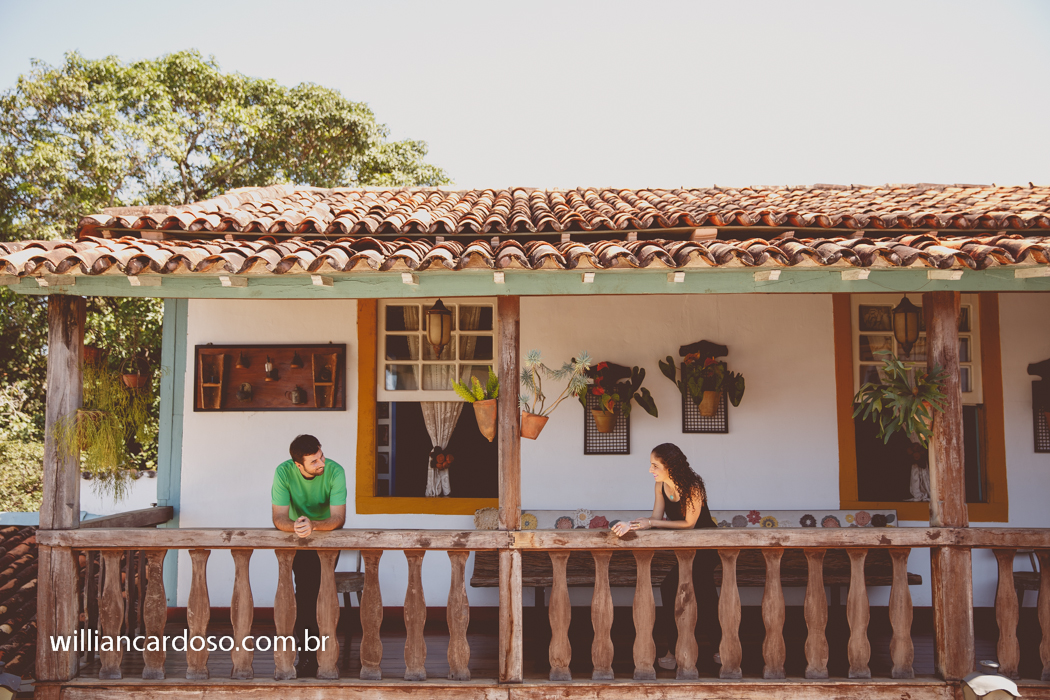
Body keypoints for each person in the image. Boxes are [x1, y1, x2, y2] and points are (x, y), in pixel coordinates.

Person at [611, 442, 721, 671]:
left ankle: (721, 647)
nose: (651, 470)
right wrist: (630, 525)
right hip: (685, 550)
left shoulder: (693, 486)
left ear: (670, 465)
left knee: (704, 592)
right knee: (668, 589)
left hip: (706, 549)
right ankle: (673, 649)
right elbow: (655, 518)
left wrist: (650, 523)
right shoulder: (660, 485)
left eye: (655, 465)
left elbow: (689, 524)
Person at [271, 434, 347, 677]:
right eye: (314, 462)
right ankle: (308, 656)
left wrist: (313, 524)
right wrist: (296, 527)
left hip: (327, 540)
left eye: (321, 456)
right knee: (305, 596)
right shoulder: (283, 472)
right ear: (298, 465)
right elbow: (279, 517)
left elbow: (338, 518)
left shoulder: (335, 471)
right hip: (299, 539)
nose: (321, 463)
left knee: (319, 595)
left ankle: (322, 656)